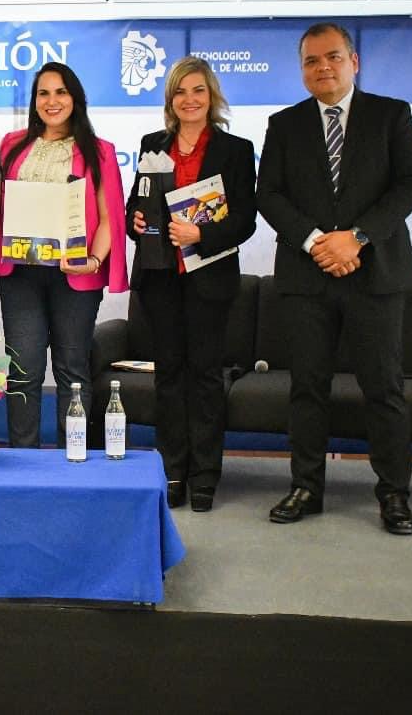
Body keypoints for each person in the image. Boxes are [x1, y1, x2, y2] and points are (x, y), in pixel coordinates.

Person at [256, 22, 412, 535]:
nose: (322, 68)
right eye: (311, 61)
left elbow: (409, 185)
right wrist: (316, 242)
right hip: (308, 279)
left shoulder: (391, 114)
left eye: (332, 57)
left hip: (375, 274)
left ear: (354, 61)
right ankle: (306, 486)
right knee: (307, 387)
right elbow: (270, 195)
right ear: (302, 70)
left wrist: (357, 238)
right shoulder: (284, 125)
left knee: (383, 388)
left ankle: (394, 493)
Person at [0, 62, 128, 448]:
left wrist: (94, 261)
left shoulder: (100, 152)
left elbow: (109, 218)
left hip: (75, 274)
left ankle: (72, 460)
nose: (51, 101)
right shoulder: (11, 145)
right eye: (43, 93)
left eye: (60, 92)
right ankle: (25, 462)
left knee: (73, 371)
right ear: (34, 100)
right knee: (23, 372)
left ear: (75, 98)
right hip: (21, 273)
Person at [127, 57, 256, 511]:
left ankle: (205, 474)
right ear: (171, 100)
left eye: (198, 91)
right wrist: (137, 220)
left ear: (212, 97)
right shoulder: (151, 144)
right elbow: (133, 211)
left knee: (204, 377)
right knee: (169, 377)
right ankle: (173, 471)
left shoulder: (236, 149)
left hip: (210, 280)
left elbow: (244, 220)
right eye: (181, 92)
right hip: (162, 280)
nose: (190, 100)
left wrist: (202, 233)